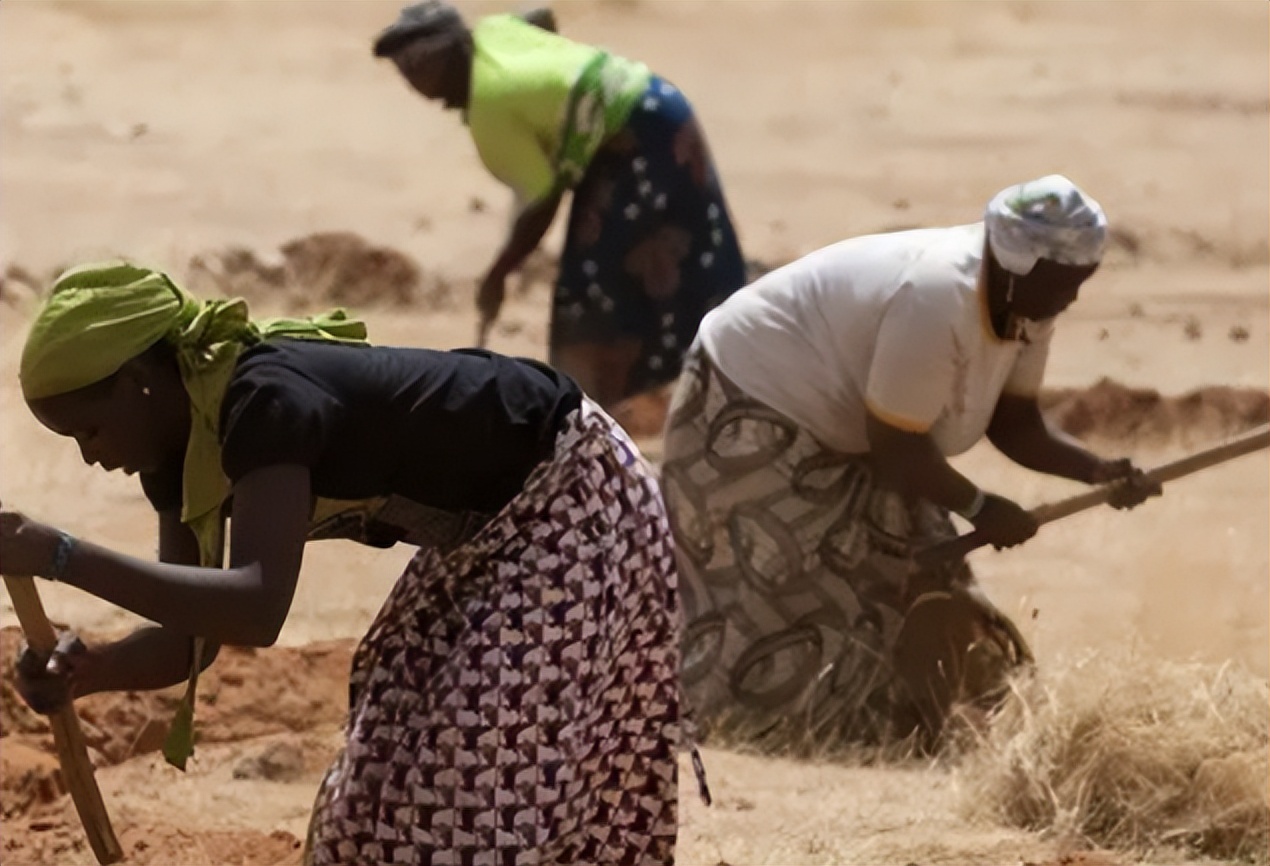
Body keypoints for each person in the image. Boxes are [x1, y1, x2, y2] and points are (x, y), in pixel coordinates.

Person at [1, 262, 680, 864]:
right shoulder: (178, 462)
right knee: (372, 795)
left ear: (139, 382)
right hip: (483, 537)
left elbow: (256, 606)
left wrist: (63, 556)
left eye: (88, 430)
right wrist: (94, 669)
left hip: (572, 492)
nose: (90, 456)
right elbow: (190, 639)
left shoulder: (261, 400)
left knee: (475, 775)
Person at [659, 175, 1162, 749]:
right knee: (787, 585)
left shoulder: (1025, 304)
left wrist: (1096, 471)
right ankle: (738, 729)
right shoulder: (937, 295)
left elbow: (1014, 422)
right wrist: (980, 506)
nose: (1071, 299)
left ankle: (929, 723)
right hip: (753, 397)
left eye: (1080, 283)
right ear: (1022, 262)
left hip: (854, 425)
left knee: (917, 565)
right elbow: (898, 447)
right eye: (1064, 283)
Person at [373, 0, 746, 408]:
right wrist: (559, 89)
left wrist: (499, 272)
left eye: (416, 68)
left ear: (446, 56)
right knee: (682, 257)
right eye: (405, 71)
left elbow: (542, 199)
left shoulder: (492, 108)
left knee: (601, 282)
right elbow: (541, 16)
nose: (412, 82)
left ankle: (611, 405)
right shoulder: (493, 32)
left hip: (637, 142)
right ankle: (704, 377)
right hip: (660, 103)